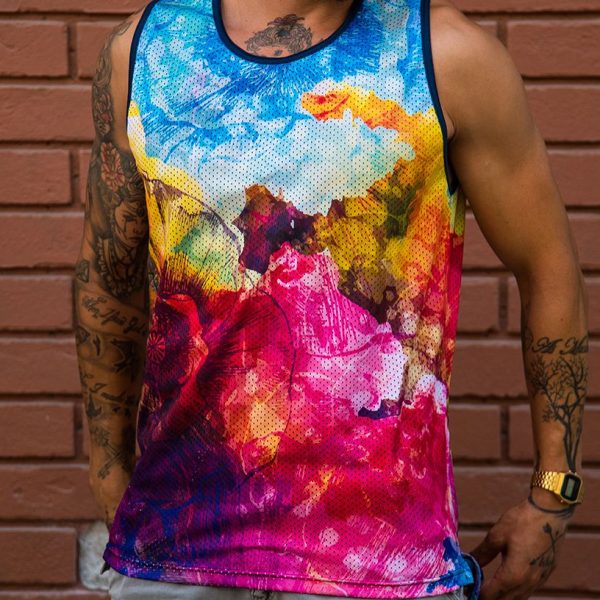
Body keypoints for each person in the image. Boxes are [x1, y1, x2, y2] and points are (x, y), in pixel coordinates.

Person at [73, 0, 588, 598]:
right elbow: (109, 279)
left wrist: (554, 492)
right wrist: (108, 474)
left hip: (384, 564)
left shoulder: (447, 55)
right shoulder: (147, 53)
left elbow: (548, 268)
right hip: (176, 552)